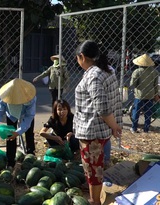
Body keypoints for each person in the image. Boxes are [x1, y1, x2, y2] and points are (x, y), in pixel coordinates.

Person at [74, 40, 122, 205]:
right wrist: (114, 125)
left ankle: (95, 201)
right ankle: (95, 197)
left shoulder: (93, 75)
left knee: (93, 169)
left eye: (77, 58)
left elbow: (102, 107)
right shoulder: (107, 70)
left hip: (91, 131)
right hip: (100, 130)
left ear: (82, 57)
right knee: (96, 166)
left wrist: (115, 126)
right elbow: (113, 101)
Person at [0, 78, 36, 168]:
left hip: (26, 113)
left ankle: (30, 156)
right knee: (10, 136)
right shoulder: (3, 96)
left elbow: (29, 117)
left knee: (29, 133)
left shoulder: (30, 97)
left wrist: (18, 132)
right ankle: (10, 161)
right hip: (11, 114)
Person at [129, 54, 159, 133]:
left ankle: (134, 128)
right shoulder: (155, 72)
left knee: (136, 111)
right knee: (148, 112)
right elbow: (156, 85)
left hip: (140, 95)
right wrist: (156, 94)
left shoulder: (137, 71)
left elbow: (132, 84)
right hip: (150, 95)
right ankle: (146, 129)